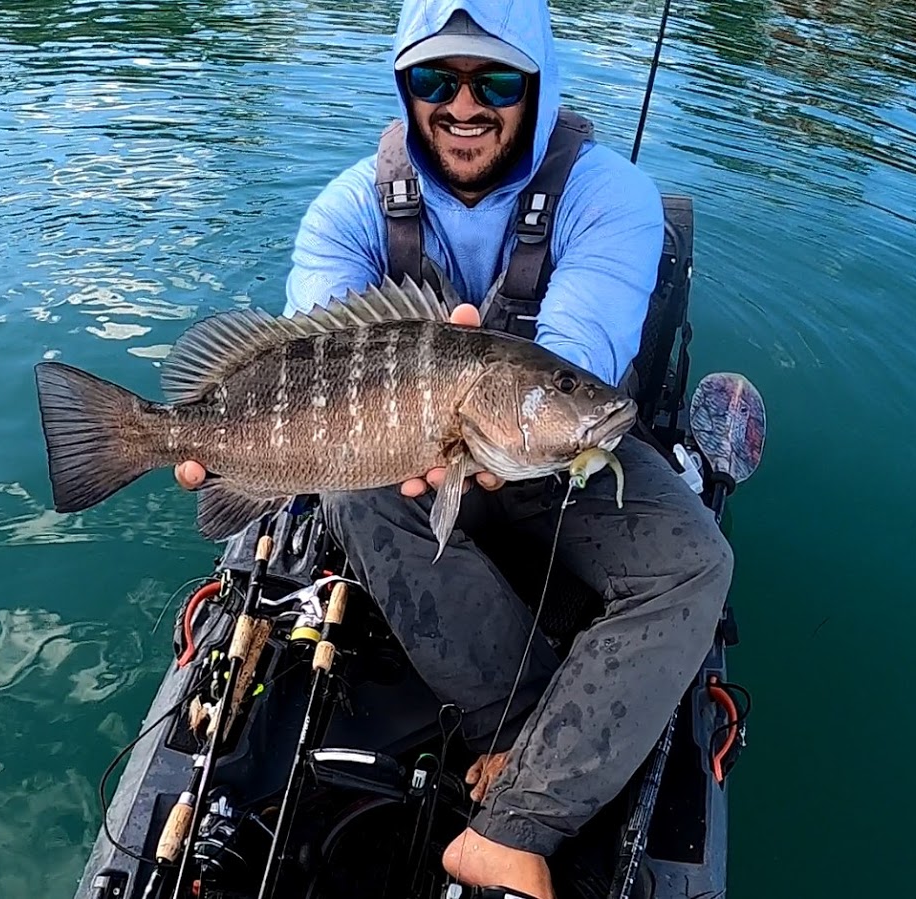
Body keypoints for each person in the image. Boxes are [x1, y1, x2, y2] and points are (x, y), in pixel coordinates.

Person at [176, 1, 733, 896]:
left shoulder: (611, 197)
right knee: (348, 480)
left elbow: (579, 356)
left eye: (496, 80)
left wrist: (504, 407)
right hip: (406, 458)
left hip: (543, 453)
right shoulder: (348, 208)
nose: (463, 105)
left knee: (696, 562)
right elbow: (302, 353)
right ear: (405, 85)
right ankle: (519, 729)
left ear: (538, 84)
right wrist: (241, 445)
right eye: (435, 79)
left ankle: (516, 816)